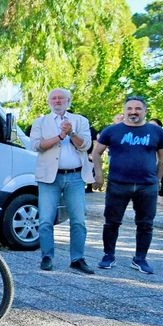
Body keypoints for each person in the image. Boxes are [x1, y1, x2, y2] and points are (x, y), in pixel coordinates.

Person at [89, 95, 163, 274]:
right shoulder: (112, 131)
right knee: (111, 222)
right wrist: (99, 175)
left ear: (145, 111)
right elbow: (96, 153)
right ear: (124, 111)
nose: (133, 112)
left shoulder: (157, 133)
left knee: (146, 224)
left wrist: (157, 180)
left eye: (138, 109)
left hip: (146, 186)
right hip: (118, 184)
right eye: (130, 109)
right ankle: (108, 255)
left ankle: (140, 258)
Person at [28, 88, 95, 273]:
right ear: (49, 101)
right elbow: (36, 146)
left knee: (79, 220)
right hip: (50, 177)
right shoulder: (41, 122)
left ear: (68, 101)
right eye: (54, 98)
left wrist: (72, 133)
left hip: (75, 176)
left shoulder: (80, 121)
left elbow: (86, 145)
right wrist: (60, 136)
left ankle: (78, 258)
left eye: (61, 98)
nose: (57, 101)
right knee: (45, 220)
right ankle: (47, 257)